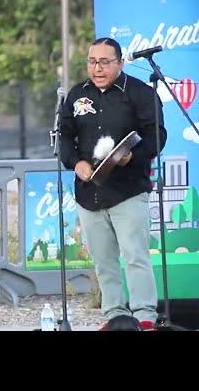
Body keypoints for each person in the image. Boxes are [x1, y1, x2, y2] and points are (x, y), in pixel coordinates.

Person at [59, 37, 166, 331]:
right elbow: (64, 136)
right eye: (92, 61)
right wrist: (75, 163)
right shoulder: (76, 95)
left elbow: (157, 135)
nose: (97, 68)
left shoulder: (141, 93)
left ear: (120, 63)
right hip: (89, 193)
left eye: (105, 62)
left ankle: (144, 315)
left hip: (128, 190)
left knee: (135, 256)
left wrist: (132, 156)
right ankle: (114, 315)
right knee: (104, 261)